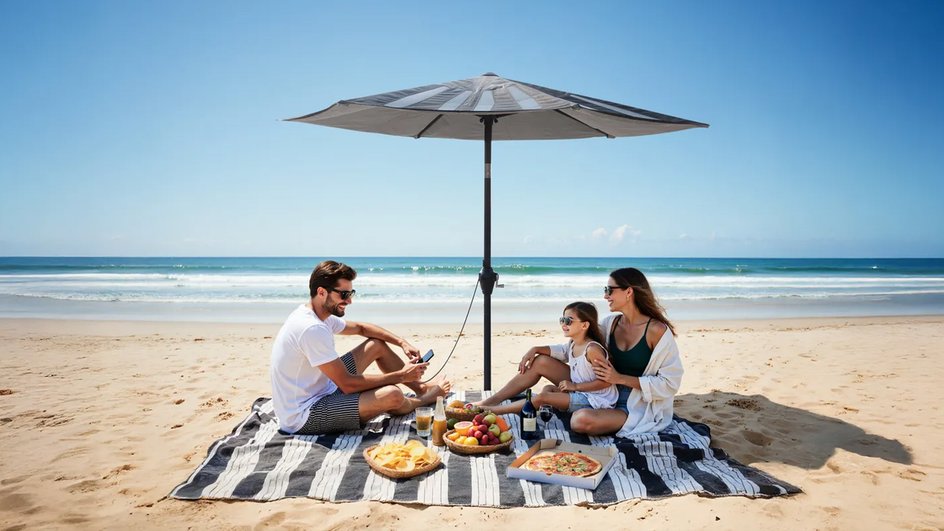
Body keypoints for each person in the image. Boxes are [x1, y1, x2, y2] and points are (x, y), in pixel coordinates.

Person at [479, 267, 683, 437]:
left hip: (632, 404)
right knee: (541, 361)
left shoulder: (657, 331)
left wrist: (619, 378)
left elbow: (670, 384)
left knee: (580, 421)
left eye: (609, 290)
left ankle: (560, 403)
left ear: (628, 292)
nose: (605, 295)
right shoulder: (610, 324)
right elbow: (575, 349)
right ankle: (490, 402)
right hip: (596, 388)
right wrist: (536, 349)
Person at [270, 260, 451, 435]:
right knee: (393, 394)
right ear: (321, 292)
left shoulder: (317, 315)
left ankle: (420, 388)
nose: (349, 301)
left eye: (351, 293)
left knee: (376, 345)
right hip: (305, 415)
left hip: (324, 387)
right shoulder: (312, 328)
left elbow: (362, 328)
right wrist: (401, 375)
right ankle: (427, 398)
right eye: (344, 295)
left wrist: (402, 342)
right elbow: (348, 384)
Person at [476, 302, 617, 416]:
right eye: (562, 319)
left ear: (584, 325)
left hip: (596, 400)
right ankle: (494, 400)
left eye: (568, 321)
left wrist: (575, 387)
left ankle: (493, 411)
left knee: (543, 397)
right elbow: (559, 351)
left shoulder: (592, 350)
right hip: (580, 390)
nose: (563, 324)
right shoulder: (574, 343)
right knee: (543, 371)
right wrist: (535, 349)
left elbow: (606, 382)